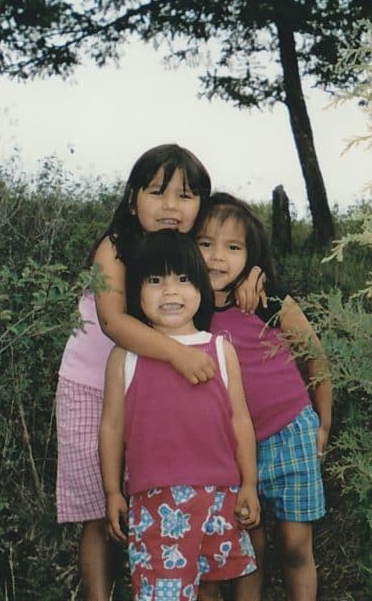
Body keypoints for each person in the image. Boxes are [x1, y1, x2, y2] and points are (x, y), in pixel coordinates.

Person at [55, 145, 262, 600]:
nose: (171, 206)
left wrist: (254, 276)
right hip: (93, 383)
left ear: (200, 206)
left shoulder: (186, 250)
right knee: (100, 507)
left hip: (156, 398)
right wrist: (177, 354)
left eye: (186, 196)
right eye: (157, 193)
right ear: (133, 199)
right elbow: (113, 322)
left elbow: (232, 254)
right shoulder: (115, 246)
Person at [99, 230, 260, 600]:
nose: (170, 291)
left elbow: (240, 420)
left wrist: (248, 483)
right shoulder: (126, 356)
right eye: (155, 280)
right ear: (136, 292)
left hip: (221, 494)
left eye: (183, 279)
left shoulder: (221, 350)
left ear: (201, 287)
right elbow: (111, 426)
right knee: (163, 593)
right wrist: (111, 490)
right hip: (157, 501)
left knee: (211, 588)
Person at [196, 193, 332, 601]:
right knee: (247, 549)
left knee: (295, 546)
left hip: (291, 432)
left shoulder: (266, 299)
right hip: (233, 447)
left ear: (251, 255)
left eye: (233, 247)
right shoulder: (186, 306)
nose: (217, 257)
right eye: (205, 244)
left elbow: (315, 356)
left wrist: (324, 424)